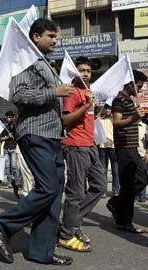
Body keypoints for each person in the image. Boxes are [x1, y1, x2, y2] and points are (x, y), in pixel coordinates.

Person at [0, 18, 75, 266]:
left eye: (56, 37)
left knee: (55, 192)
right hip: (34, 133)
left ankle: (41, 251)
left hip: (52, 135)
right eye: (50, 36)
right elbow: (18, 94)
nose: (54, 41)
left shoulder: (46, 64)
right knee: (47, 187)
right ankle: (3, 224)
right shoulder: (25, 61)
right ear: (35, 37)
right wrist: (54, 92)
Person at [58, 57, 106, 252]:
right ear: (75, 72)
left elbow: (88, 118)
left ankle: (74, 221)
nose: (86, 73)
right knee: (76, 192)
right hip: (76, 146)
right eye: (82, 70)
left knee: (101, 185)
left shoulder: (89, 91)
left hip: (90, 145)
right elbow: (65, 120)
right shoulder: (72, 91)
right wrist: (86, 105)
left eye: (88, 70)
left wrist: (95, 107)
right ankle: (66, 235)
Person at [106, 70, 148, 233]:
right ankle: (124, 220)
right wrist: (133, 118)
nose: (140, 89)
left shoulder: (130, 101)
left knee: (137, 181)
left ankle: (117, 205)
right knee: (131, 183)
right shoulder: (119, 100)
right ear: (130, 83)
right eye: (139, 85)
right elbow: (116, 123)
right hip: (124, 149)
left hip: (132, 147)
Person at [98, 105, 120, 197]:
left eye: (109, 108)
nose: (107, 110)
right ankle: (103, 191)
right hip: (102, 147)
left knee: (115, 170)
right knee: (103, 170)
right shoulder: (99, 120)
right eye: (106, 108)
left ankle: (116, 190)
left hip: (114, 146)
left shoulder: (115, 120)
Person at [0, 111, 18, 189]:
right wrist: (7, 137)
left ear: (13, 117)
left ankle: (16, 182)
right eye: (7, 117)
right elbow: (0, 138)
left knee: (14, 166)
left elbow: (19, 137)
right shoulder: (6, 127)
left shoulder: (17, 127)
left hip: (14, 148)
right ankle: (9, 182)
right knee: (7, 166)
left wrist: (13, 136)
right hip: (6, 148)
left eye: (9, 117)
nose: (8, 119)